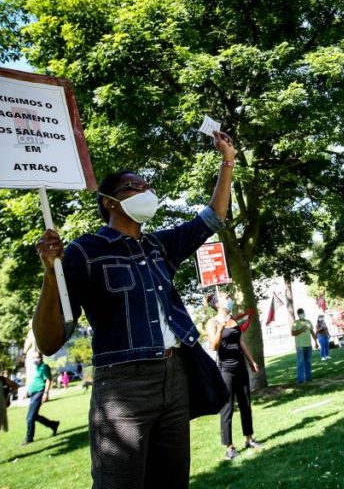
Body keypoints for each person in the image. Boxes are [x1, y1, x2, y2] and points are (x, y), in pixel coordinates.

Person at [31, 130, 235, 488]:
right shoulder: (84, 251)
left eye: (148, 186)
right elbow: (49, 341)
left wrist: (227, 160)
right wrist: (52, 272)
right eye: (134, 187)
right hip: (123, 386)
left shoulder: (160, 245)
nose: (146, 192)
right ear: (109, 201)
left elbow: (213, 217)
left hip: (175, 376)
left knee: (171, 482)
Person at [208, 292, 261, 460]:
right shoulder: (213, 322)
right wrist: (221, 328)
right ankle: (229, 447)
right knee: (227, 408)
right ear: (218, 304)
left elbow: (241, 342)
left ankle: (249, 439)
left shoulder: (234, 320)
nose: (229, 300)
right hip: (225, 369)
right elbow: (213, 346)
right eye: (226, 298)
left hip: (240, 367)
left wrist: (251, 360)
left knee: (245, 403)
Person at [23, 353, 60, 445]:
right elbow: (34, 380)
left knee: (30, 417)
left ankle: (29, 438)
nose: (35, 359)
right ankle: (53, 424)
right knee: (34, 416)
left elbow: (48, 380)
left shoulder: (44, 367)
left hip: (39, 392)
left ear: (41, 358)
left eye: (37, 357)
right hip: (33, 393)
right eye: (34, 358)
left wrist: (46, 393)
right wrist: (27, 392)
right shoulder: (36, 368)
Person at [291, 308, 319, 383]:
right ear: (298, 314)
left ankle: (308, 378)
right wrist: (301, 329)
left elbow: (312, 332)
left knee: (308, 362)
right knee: (300, 362)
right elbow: (293, 333)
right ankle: (300, 379)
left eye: (302, 312)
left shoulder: (308, 322)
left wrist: (316, 342)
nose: (302, 314)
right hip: (300, 346)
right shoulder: (295, 323)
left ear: (304, 312)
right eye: (300, 313)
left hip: (308, 345)